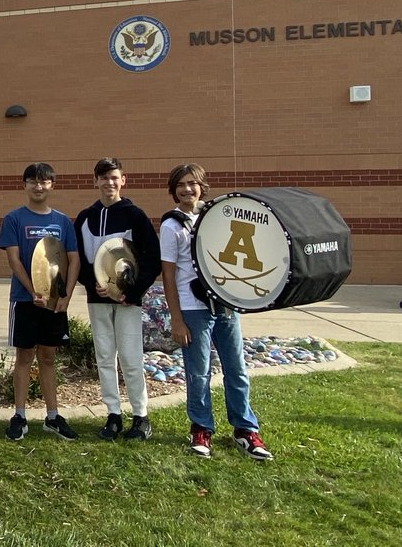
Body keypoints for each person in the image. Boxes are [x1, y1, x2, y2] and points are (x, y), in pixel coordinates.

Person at [159, 163, 273, 461]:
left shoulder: (217, 217)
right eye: (181, 185)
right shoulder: (171, 226)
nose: (187, 189)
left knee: (237, 369)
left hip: (224, 305)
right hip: (193, 308)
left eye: (192, 183)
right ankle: (201, 428)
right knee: (198, 373)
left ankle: (245, 429)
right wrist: (177, 319)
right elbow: (168, 275)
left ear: (202, 186)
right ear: (173, 190)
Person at [74, 158, 160, 441]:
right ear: (95, 181)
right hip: (98, 300)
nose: (109, 183)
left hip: (127, 301)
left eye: (114, 177)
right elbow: (78, 260)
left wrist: (132, 292)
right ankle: (113, 414)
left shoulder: (135, 215)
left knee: (131, 357)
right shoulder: (85, 218)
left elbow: (152, 259)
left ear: (123, 180)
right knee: (104, 357)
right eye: (103, 178)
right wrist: (92, 284)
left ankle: (140, 416)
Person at [0, 163, 81, 441]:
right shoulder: (13, 219)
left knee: (48, 358)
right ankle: (19, 415)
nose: (38, 186)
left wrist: (66, 296)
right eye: (33, 181)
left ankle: (53, 417)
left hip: (54, 303)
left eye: (44, 181)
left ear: (51, 185)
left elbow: (73, 260)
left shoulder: (62, 221)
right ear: (25, 185)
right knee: (24, 357)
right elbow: (14, 260)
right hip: (25, 300)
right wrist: (33, 290)